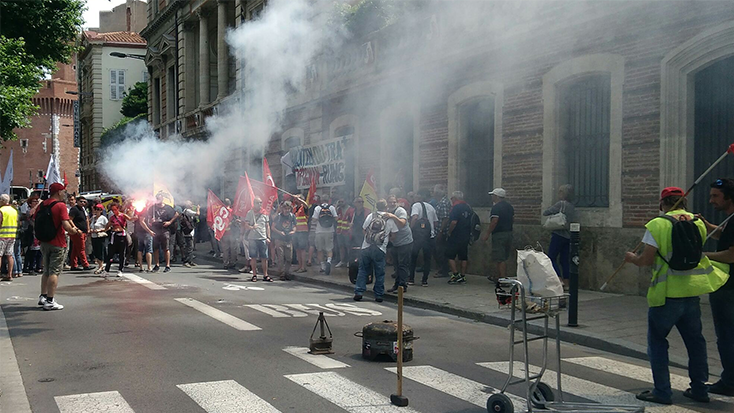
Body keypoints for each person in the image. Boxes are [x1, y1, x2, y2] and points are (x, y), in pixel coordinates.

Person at [624, 187, 728, 405]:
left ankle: (662, 392)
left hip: (666, 295)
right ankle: (699, 389)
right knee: (696, 343)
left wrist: (632, 258)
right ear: (684, 203)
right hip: (691, 292)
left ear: (662, 204)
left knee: (658, 342)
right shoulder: (698, 223)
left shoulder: (657, 224)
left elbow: (647, 260)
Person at [698, 178, 734, 396]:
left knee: (727, 336)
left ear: (729, 197)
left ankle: (729, 382)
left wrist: (702, 256)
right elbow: (724, 235)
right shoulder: (730, 219)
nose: (711, 200)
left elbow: (731, 254)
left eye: (715, 196)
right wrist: (708, 226)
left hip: (728, 288)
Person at [33, 183, 81, 310]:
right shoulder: (60, 206)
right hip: (57, 242)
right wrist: (74, 231)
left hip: (44, 242)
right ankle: (50, 300)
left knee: (46, 270)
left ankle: (43, 296)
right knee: (54, 272)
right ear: (59, 192)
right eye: (63, 191)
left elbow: (34, 218)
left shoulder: (42, 204)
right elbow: (66, 225)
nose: (65, 194)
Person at [353, 199, 398, 302]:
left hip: (366, 247)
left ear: (377, 207)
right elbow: (394, 234)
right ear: (386, 207)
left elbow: (364, 229)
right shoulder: (389, 219)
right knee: (380, 272)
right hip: (380, 248)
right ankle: (378, 295)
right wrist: (386, 240)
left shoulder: (371, 216)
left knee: (363, 270)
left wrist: (370, 239)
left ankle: (359, 292)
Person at [543, 185, 576, 290]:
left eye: (560, 192)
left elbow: (546, 212)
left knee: (551, 257)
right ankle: (567, 283)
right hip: (568, 236)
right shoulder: (572, 206)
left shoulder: (561, 204)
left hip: (558, 234)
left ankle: (559, 279)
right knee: (564, 260)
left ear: (563, 193)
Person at [481, 188, 514, 280]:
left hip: (499, 235)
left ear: (496, 196)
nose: (492, 197)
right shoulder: (509, 207)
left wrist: (487, 233)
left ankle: (502, 278)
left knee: (499, 258)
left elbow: (494, 221)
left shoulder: (496, 207)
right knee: (503, 257)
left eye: (493, 195)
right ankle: (498, 275)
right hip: (508, 233)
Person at [409, 189, 438, 286]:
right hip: (429, 236)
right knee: (427, 259)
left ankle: (411, 279)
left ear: (418, 197)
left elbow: (415, 217)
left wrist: (411, 229)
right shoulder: (431, 207)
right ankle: (424, 280)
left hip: (417, 237)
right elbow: (435, 222)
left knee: (413, 257)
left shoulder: (416, 205)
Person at [386, 195, 413, 293]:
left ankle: (402, 286)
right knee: (396, 265)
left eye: (394, 202)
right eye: (390, 202)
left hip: (405, 242)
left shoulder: (400, 211)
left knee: (403, 265)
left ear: (397, 202)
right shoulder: (387, 212)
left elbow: (402, 223)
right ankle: (396, 285)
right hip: (394, 242)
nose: (392, 204)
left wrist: (393, 216)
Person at [146, 192, 178, 272]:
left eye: (160, 198)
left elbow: (176, 214)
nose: (158, 200)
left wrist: (170, 222)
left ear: (162, 199)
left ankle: (167, 265)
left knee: (166, 248)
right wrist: (151, 221)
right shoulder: (152, 208)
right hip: (155, 229)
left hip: (165, 229)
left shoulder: (168, 208)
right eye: (157, 199)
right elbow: (148, 219)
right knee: (155, 248)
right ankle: (157, 265)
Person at [446, 191, 472, 284]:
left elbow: (453, 222)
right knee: (463, 256)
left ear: (455, 198)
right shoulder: (468, 207)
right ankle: (463, 275)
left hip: (456, 235)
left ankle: (455, 274)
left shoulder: (455, 208)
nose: (451, 200)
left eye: (452, 198)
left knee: (450, 255)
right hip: (466, 235)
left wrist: (449, 232)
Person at [244, 197, 272, 282]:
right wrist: (252, 227)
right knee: (253, 257)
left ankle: (265, 275)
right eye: (257, 203)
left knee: (264, 257)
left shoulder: (264, 213)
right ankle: (254, 275)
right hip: (252, 238)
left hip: (262, 238)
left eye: (260, 202)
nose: (259, 204)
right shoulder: (250, 213)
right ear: (254, 203)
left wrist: (268, 237)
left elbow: (267, 226)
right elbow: (246, 225)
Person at [104, 203, 132, 277]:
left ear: (118, 209)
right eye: (113, 210)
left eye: (115, 210)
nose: (114, 211)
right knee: (110, 254)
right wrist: (107, 227)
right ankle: (106, 270)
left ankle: (120, 270)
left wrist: (136, 215)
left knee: (121, 254)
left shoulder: (123, 215)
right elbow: (107, 226)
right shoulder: (112, 217)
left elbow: (131, 219)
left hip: (121, 236)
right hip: (114, 235)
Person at [272, 200, 296, 280]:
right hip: (279, 239)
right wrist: (279, 232)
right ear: (282, 209)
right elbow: (273, 227)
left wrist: (293, 231)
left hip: (288, 239)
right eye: (285, 209)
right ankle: (281, 274)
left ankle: (287, 272)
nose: (287, 211)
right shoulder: (278, 216)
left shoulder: (292, 216)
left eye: (288, 209)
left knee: (289, 258)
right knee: (281, 258)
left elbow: (295, 226)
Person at [312, 200, 338, 275]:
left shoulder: (317, 208)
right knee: (329, 248)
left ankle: (322, 266)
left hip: (319, 231)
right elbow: (336, 218)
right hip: (330, 231)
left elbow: (314, 219)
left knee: (319, 249)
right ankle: (329, 261)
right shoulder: (332, 207)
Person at [68, 196, 93, 271]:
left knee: (75, 249)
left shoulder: (83, 209)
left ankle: (74, 265)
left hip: (83, 231)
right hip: (78, 232)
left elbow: (86, 219)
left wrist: (88, 229)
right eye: (81, 201)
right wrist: (76, 228)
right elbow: (70, 219)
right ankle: (85, 264)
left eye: (84, 202)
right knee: (82, 249)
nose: (83, 203)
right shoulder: (74, 209)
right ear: (77, 201)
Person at [433, 184, 451, 278]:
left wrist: (440, 231)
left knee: (440, 252)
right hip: (439, 231)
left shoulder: (443, 203)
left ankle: (443, 270)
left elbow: (445, 218)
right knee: (438, 251)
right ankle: (442, 269)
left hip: (441, 232)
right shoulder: (441, 202)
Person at [0, 194, 18, 281]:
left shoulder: (1, 210)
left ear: (3, 201)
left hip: (2, 235)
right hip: (12, 235)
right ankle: (10, 274)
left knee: (0, 255)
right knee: (9, 255)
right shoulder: (14, 210)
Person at [335, 198, 354, 268]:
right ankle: (342, 261)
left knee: (348, 246)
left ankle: (349, 261)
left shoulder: (351, 210)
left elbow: (352, 220)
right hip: (339, 231)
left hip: (347, 231)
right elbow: (334, 216)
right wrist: (336, 206)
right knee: (341, 247)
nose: (341, 203)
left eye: (342, 201)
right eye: (339, 201)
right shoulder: (338, 210)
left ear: (346, 201)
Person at [89, 204, 108, 275]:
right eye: (95, 209)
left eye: (98, 209)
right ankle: (100, 265)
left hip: (100, 236)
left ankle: (100, 266)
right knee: (96, 251)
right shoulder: (93, 218)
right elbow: (89, 223)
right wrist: (90, 229)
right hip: (93, 236)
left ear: (101, 211)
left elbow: (108, 227)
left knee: (100, 251)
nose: (96, 211)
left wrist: (100, 230)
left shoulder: (103, 218)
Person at [292, 195, 309, 273]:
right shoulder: (295, 209)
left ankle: (303, 267)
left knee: (302, 249)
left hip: (303, 231)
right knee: (297, 249)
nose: (297, 200)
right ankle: (299, 266)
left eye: (298, 199)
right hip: (296, 232)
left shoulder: (304, 208)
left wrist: (300, 200)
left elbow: (306, 205)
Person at [180, 201, 199, 268]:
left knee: (190, 247)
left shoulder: (186, 211)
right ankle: (186, 261)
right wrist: (198, 208)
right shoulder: (188, 211)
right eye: (191, 204)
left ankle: (190, 261)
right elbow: (197, 214)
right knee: (189, 247)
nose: (192, 205)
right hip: (188, 232)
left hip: (189, 231)